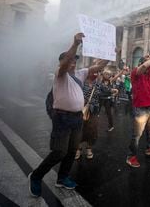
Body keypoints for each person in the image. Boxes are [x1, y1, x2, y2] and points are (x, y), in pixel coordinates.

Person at [28, 33, 109, 197]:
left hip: (77, 118)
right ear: (63, 62)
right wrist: (75, 44)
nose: (74, 61)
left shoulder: (79, 74)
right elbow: (66, 62)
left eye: (75, 59)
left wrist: (109, 54)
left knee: (72, 150)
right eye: (71, 59)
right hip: (63, 118)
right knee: (59, 151)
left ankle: (62, 178)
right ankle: (36, 176)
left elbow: (98, 68)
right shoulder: (60, 73)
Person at [126, 54, 150, 168]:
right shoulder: (135, 72)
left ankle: (149, 148)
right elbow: (144, 66)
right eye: (147, 63)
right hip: (140, 108)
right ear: (141, 64)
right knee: (137, 135)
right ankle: (131, 156)